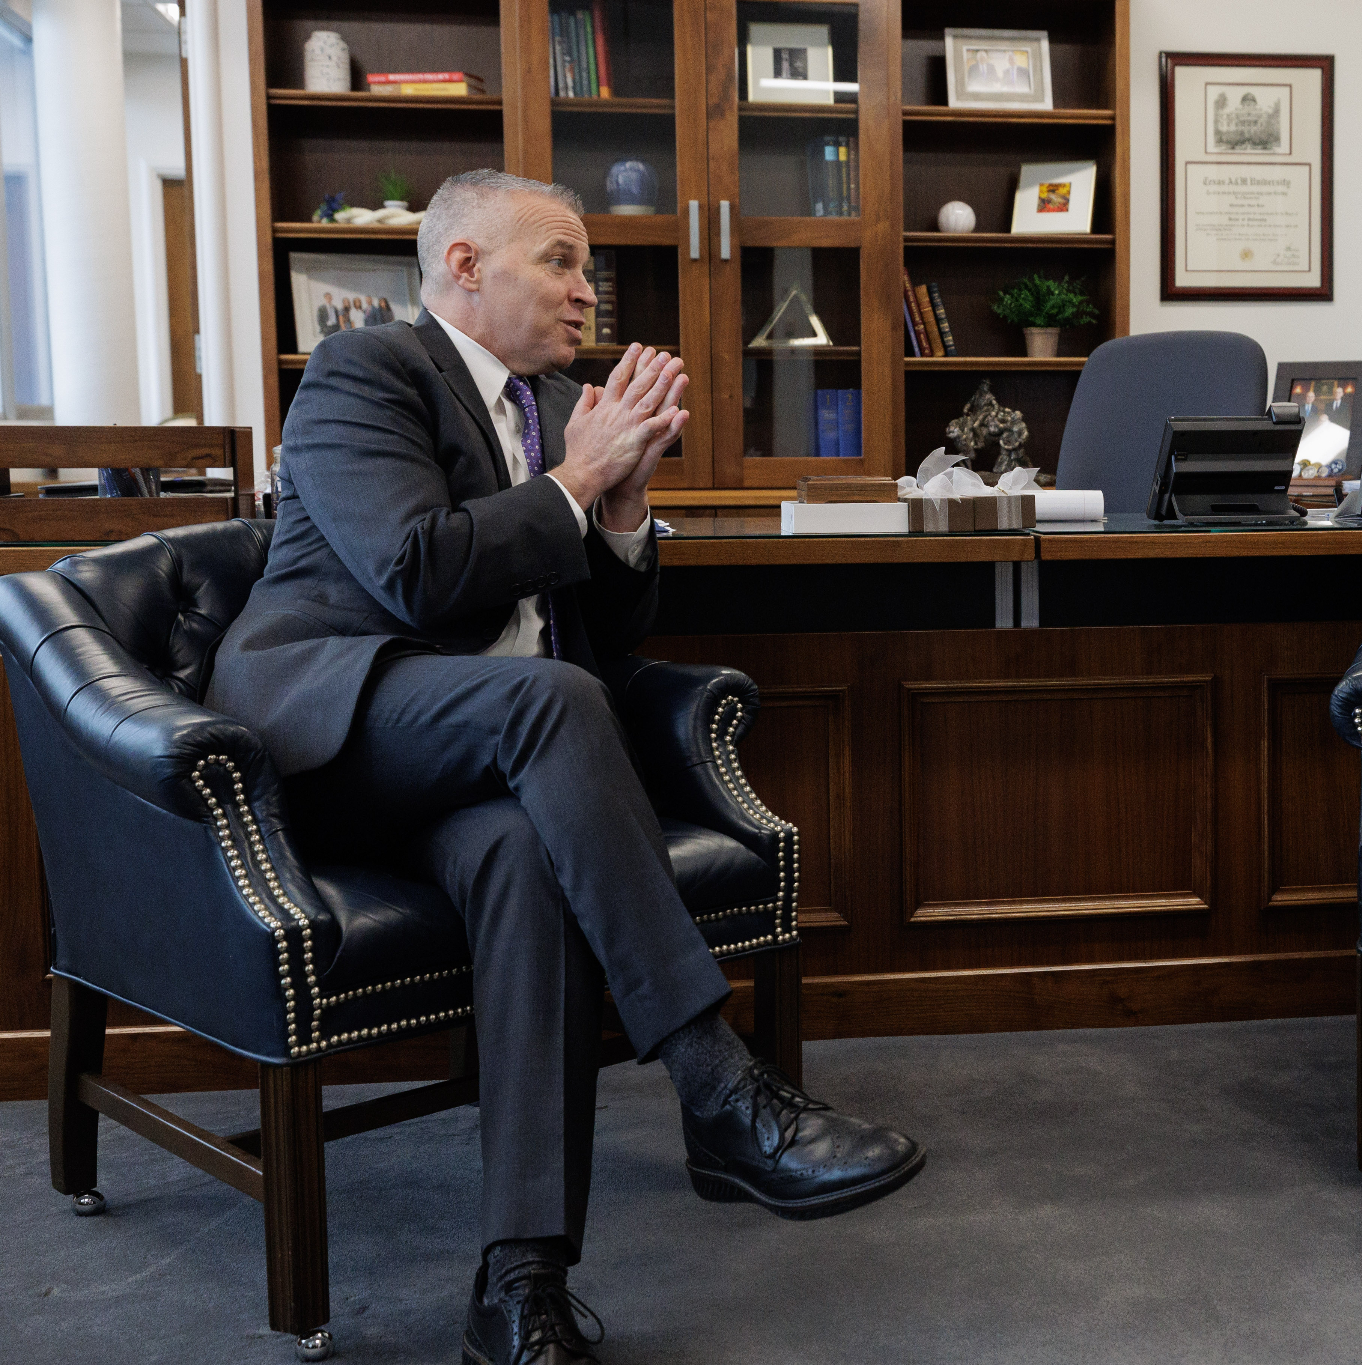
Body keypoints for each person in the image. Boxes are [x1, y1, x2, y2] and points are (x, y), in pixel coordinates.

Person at [207, 169, 924, 1364]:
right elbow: (417, 574)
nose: (588, 291)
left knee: (523, 855)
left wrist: (625, 506)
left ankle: (519, 1285)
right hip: (340, 733)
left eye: (587, 267)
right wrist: (579, 480)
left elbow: (605, 629)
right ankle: (718, 1085)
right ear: (464, 266)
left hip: (489, 770)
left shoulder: (555, 406)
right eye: (560, 261)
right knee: (550, 701)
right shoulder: (364, 373)